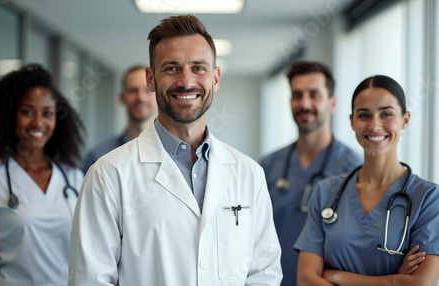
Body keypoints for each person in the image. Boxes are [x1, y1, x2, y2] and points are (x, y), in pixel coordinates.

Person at [69, 15, 282, 285]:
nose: (185, 81)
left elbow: (264, 273)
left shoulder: (248, 173)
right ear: (150, 79)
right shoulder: (108, 174)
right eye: (171, 68)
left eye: (198, 68)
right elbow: (90, 280)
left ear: (215, 78)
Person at [295, 75, 439, 285]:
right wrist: (395, 281)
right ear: (352, 121)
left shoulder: (428, 198)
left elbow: (421, 284)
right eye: (364, 115)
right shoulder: (325, 192)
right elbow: (306, 280)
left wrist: (336, 276)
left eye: (386, 114)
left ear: (405, 120)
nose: (375, 125)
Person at [0, 64, 85, 285]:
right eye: (27, 111)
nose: (38, 122)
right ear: (10, 115)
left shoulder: (73, 178)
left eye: (47, 113)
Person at [260, 61, 362, 286]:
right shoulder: (267, 167)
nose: (304, 103)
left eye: (314, 95)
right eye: (297, 95)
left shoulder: (355, 169)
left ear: (332, 103)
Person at [81, 65, 156, 173]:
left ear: (157, 97)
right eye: (133, 91)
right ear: (122, 98)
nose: (141, 97)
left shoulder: (171, 153)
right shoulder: (98, 157)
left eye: (147, 90)